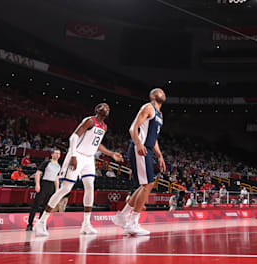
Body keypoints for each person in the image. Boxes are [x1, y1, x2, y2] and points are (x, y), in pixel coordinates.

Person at [34, 103, 123, 236]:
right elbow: (74, 137)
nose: (106, 108)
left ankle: (86, 224)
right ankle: (41, 222)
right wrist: (73, 155)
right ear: (97, 109)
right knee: (65, 189)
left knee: (90, 187)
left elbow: (97, 145)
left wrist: (111, 154)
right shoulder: (89, 120)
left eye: (108, 108)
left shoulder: (104, 127)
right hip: (77, 155)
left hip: (89, 158)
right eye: (103, 106)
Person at [111, 89, 166, 236]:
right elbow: (132, 128)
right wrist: (138, 143)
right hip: (139, 148)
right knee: (148, 184)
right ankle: (132, 223)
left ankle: (122, 216)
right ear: (153, 96)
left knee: (144, 185)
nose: (163, 93)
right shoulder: (148, 107)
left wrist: (160, 156)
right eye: (160, 92)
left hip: (147, 148)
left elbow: (154, 140)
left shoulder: (160, 115)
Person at [26, 149, 61, 231]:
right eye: (56, 153)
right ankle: (30, 224)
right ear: (52, 154)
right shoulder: (47, 162)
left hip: (51, 186)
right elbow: (38, 173)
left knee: (46, 206)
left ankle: (41, 223)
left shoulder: (59, 166)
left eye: (59, 153)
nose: (58, 155)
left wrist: (57, 189)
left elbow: (56, 178)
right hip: (43, 184)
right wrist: (37, 184)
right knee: (36, 205)